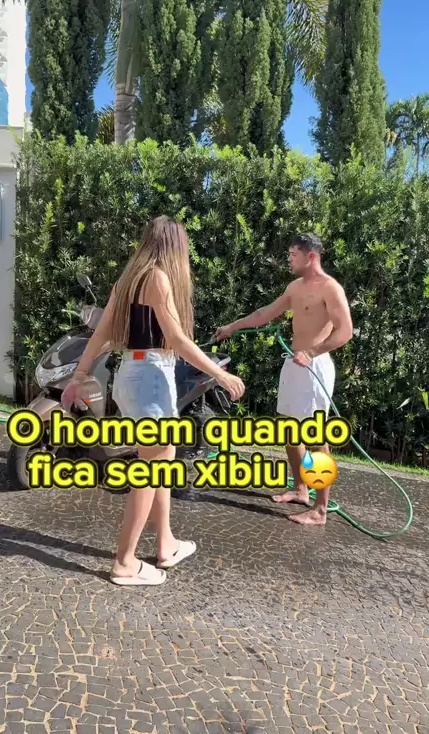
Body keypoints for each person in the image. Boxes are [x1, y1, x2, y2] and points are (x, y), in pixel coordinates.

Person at [61, 216, 245, 585]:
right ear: (175, 246)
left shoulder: (128, 280)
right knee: (151, 470)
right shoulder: (159, 278)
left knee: (163, 459)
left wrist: (79, 376)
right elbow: (176, 339)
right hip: (151, 378)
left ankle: (166, 545)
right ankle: (124, 562)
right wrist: (221, 374)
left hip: (131, 375)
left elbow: (100, 334)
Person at [215, 233, 353, 526]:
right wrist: (232, 327)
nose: (289, 260)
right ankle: (301, 489)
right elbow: (265, 313)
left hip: (314, 366)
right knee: (290, 429)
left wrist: (312, 352)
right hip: (293, 364)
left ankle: (320, 509)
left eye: (293, 255)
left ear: (311, 256)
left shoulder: (330, 288)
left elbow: (345, 331)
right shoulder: (295, 287)